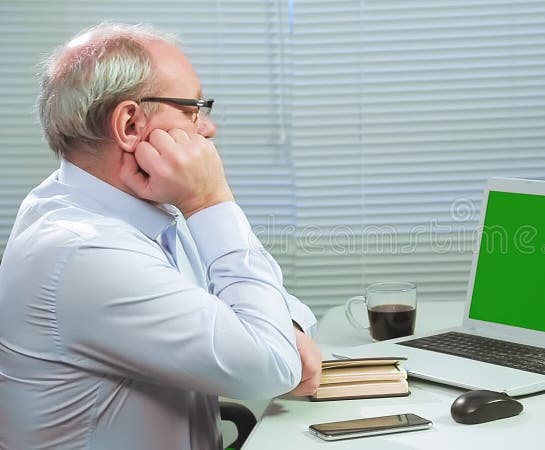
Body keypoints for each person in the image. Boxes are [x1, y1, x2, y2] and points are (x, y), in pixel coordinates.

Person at [0, 23, 322, 450]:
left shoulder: (133, 206)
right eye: (193, 108)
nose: (207, 128)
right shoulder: (83, 251)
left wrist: (288, 326)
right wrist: (211, 200)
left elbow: (266, 312)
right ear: (130, 124)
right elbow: (270, 365)